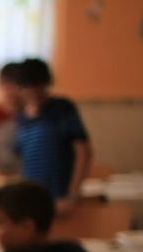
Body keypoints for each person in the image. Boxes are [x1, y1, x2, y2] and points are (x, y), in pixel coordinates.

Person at [14, 58, 93, 212]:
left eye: (39, 86)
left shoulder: (62, 109)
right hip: (32, 198)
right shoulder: (21, 118)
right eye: (28, 87)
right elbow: (22, 160)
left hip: (61, 196)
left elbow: (83, 151)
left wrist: (73, 194)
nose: (34, 92)